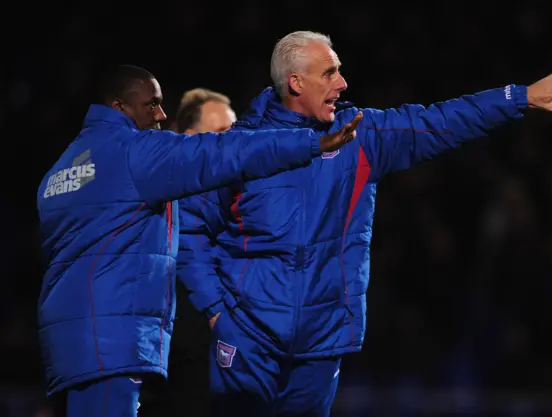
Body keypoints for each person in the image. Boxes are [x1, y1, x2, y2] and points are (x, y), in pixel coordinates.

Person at [178, 31, 552, 417]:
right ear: (296, 82)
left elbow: (439, 121)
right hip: (249, 337)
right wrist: (217, 310)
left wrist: (518, 98)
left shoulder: (359, 136)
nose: (343, 82)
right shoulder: (238, 147)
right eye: (330, 73)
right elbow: (191, 228)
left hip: (321, 340)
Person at [36, 64, 363, 417]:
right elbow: (227, 152)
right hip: (112, 337)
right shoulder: (137, 151)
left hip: (67, 339)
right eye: (151, 104)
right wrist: (312, 142)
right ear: (119, 107)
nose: (162, 114)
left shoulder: (59, 171)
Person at [138, 88, 238, 417]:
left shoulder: (243, 193)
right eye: (222, 133)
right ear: (190, 138)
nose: (233, 141)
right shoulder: (165, 188)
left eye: (234, 131)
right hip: (182, 333)